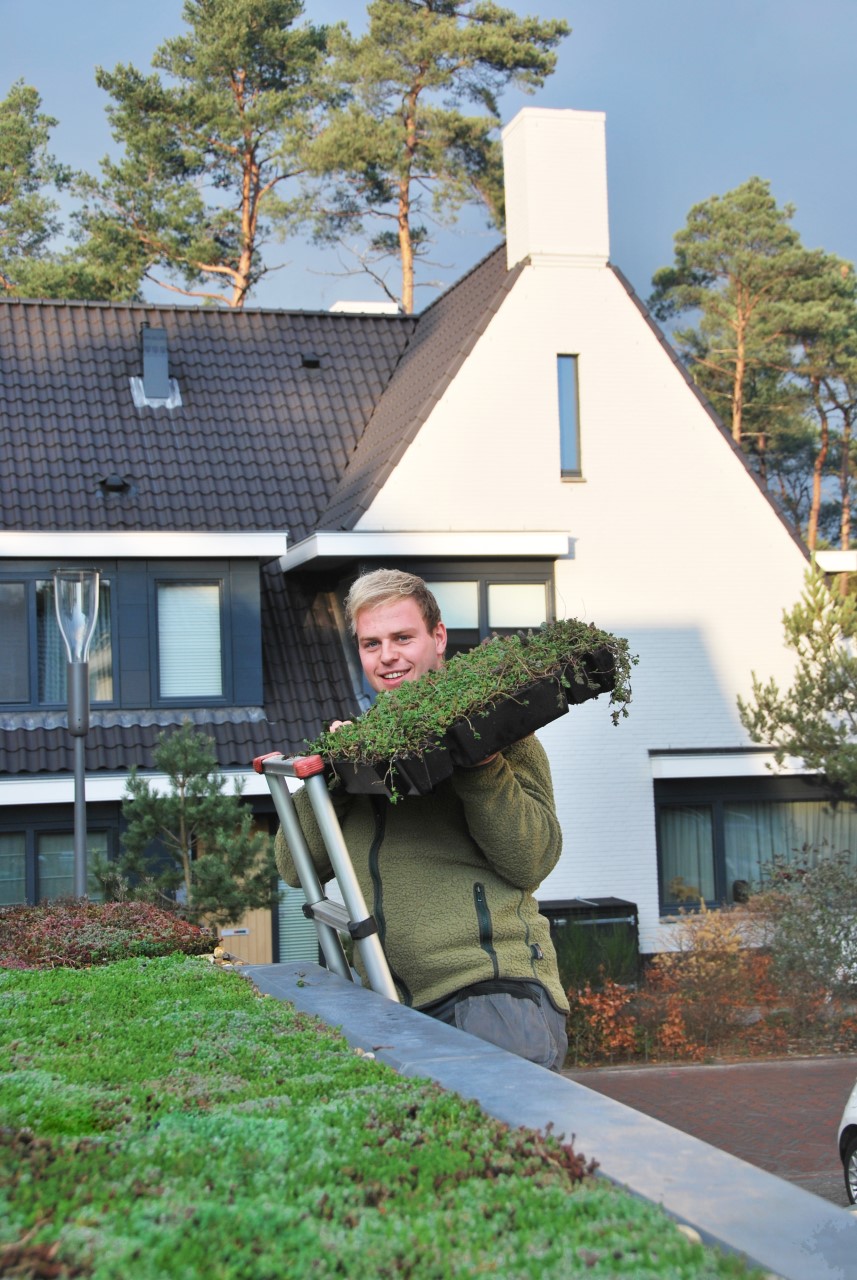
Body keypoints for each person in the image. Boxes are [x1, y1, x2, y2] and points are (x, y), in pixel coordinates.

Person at [274, 568, 569, 1072]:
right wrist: (337, 773)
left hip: (490, 999)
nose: (386, 656)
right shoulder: (362, 750)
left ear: (438, 638)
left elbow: (533, 859)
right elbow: (292, 865)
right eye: (371, 643)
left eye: (402, 638)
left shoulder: (503, 732)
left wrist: (483, 764)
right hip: (389, 1005)